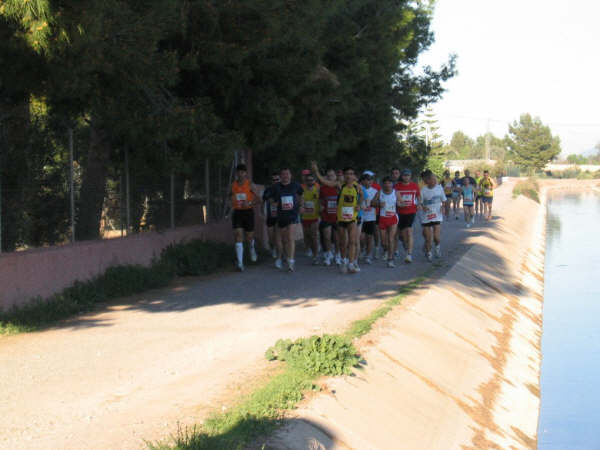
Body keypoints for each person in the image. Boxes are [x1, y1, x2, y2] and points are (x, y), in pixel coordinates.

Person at [313, 161, 363, 273]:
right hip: (341, 218)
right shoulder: (339, 185)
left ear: (353, 175)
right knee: (342, 242)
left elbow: (361, 196)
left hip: (352, 218)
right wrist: (316, 171)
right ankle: (344, 261)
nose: (349, 176)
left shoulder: (357, 186)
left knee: (353, 241)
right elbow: (324, 181)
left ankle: (351, 263)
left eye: (351, 173)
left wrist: (359, 204)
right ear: (344, 175)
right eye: (347, 174)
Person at [271, 168, 304, 272]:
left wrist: (302, 205)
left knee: (290, 237)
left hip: (292, 215)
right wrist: (274, 203)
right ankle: (285, 257)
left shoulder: (296, 185)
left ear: (291, 175)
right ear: (281, 176)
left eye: (287, 174)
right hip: (281, 216)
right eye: (283, 174)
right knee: (284, 240)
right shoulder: (276, 187)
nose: (285, 176)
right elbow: (271, 199)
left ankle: (291, 262)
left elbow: (301, 195)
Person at [230, 164, 260, 271]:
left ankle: (252, 248)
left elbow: (259, 199)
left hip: (248, 212)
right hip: (237, 212)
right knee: (238, 235)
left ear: (245, 173)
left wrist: (250, 202)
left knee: (249, 237)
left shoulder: (250, 185)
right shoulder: (233, 185)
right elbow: (230, 196)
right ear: (236, 173)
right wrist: (232, 203)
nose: (240, 174)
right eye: (238, 172)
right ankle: (240, 263)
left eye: (242, 172)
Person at [373, 176, 400, 268]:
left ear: (392, 184)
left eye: (389, 183)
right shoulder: (379, 193)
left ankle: (390, 259)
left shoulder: (396, 193)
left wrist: (400, 204)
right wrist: (378, 204)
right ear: (383, 184)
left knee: (391, 239)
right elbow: (372, 203)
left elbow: (401, 202)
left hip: (393, 218)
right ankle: (386, 250)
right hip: (383, 218)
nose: (388, 185)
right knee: (384, 242)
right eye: (386, 183)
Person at [419, 170, 446, 262]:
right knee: (428, 238)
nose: (433, 180)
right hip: (426, 216)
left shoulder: (439, 188)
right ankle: (429, 253)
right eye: (431, 179)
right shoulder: (423, 190)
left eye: (434, 178)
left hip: (437, 215)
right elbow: (420, 202)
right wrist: (423, 207)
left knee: (436, 237)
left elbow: (444, 200)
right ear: (426, 180)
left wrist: (443, 207)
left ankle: (437, 248)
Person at [394, 168, 420, 263]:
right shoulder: (397, 186)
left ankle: (409, 254)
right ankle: (406, 247)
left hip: (411, 212)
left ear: (410, 176)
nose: (406, 177)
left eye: (408, 175)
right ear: (402, 176)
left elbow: (418, 196)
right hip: (400, 213)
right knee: (401, 235)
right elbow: (395, 198)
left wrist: (419, 204)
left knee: (409, 231)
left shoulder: (414, 186)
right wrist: (398, 203)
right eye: (404, 175)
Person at [317, 167, 339, 266]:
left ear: (335, 177)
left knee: (337, 238)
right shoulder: (323, 188)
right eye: (328, 176)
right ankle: (328, 255)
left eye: (332, 175)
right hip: (326, 216)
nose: (330, 177)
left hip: (337, 217)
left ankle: (338, 255)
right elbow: (320, 200)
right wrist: (320, 206)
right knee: (326, 236)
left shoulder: (339, 187)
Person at [301, 173, 320, 264]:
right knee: (307, 236)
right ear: (305, 181)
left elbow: (321, 201)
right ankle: (309, 248)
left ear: (314, 181)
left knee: (314, 236)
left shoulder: (317, 190)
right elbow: (300, 201)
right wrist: (301, 205)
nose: (310, 182)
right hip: (305, 217)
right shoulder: (302, 190)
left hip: (315, 217)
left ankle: (315, 256)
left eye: (311, 180)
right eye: (308, 180)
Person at [360, 174, 378, 264]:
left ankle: (368, 255)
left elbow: (377, 203)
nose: (369, 182)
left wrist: (372, 204)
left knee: (369, 237)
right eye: (367, 180)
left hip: (371, 217)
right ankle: (362, 249)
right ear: (363, 181)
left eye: (370, 180)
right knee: (361, 237)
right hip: (361, 217)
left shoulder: (375, 191)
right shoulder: (359, 189)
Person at [262, 172, 281, 258]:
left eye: (277, 179)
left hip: (280, 217)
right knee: (270, 237)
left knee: (279, 237)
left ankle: (281, 253)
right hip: (270, 217)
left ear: (280, 179)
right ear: (272, 181)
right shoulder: (268, 189)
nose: (276, 181)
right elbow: (263, 201)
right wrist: (261, 212)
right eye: (274, 180)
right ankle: (273, 248)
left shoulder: (283, 189)